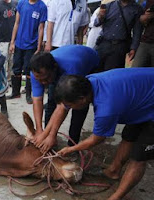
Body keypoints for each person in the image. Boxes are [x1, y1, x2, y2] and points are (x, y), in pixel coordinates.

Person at [56, 68, 154, 200]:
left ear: (82, 99)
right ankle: (113, 171)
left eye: (69, 105)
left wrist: (71, 149)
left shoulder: (106, 109)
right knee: (129, 136)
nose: (68, 108)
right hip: (141, 98)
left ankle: (115, 197)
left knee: (139, 158)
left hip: (149, 104)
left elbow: (97, 139)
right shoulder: (90, 80)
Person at [29, 45, 100, 153]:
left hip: (91, 64)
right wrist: (39, 130)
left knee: (78, 106)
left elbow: (63, 107)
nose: (43, 83)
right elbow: (37, 100)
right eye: (40, 80)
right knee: (51, 102)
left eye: (46, 79)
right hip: (64, 66)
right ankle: (48, 141)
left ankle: (73, 145)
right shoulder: (37, 72)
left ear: (55, 68)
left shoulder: (72, 68)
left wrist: (51, 135)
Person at [7, 0, 47, 104]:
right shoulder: (21, 3)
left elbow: (41, 28)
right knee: (16, 68)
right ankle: (16, 92)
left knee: (29, 69)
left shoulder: (42, 6)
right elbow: (17, 23)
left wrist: (39, 47)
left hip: (32, 45)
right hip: (19, 43)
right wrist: (12, 42)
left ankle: (29, 94)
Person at [94, 0, 143, 71]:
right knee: (95, 70)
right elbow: (96, 23)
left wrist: (133, 48)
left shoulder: (137, 9)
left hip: (119, 46)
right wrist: (100, 16)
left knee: (112, 73)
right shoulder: (109, 6)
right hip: (103, 44)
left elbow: (137, 30)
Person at [0, 0, 17, 88]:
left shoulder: (15, 4)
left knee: (12, 62)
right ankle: (2, 82)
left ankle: (10, 82)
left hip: (14, 39)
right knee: (2, 62)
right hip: (2, 40)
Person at [132, 0, 154, 67]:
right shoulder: (149, 1)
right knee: (135, 71)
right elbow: (143, 19)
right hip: (146, 40)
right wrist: (143, 18)